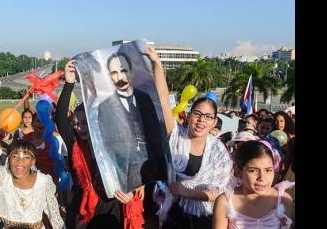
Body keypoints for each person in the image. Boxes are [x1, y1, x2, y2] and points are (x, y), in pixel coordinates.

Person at [55, 59, 145, 229]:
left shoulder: (114, 142)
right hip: (83, 209)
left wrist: (135, 187)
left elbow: (133, 165)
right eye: (75, 123)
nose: (79, 127)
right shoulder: (75, 144)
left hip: (111, 207)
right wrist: (68, 83)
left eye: (84, 123)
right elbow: (60, 118)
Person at [149, 45, 232, 228]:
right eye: (197, 114)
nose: (202, 120)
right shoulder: (177, 136)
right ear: (188, 115)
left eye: (208, 116)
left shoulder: (218, 152)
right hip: (174, 214)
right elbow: (162, 101)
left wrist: (186, 192)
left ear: (214, 122)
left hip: (204, 218)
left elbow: (221, 192)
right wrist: (157, 64)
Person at [0, 128, 65, 229]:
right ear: (8, 159)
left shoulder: (43, 181)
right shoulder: (3, 177)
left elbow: (54, 215)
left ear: (33, 161)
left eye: (26, 157)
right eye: (15, 156)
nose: (20, 161)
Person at [97, 52, 168, 192]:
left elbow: (157, 135)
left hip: (154, 175)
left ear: (132, 72)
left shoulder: (145, 99)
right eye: (114, 73)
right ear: (109, 77)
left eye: (123, 70)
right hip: (127, 178)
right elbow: (107, 147)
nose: (120, 77)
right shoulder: (105, 107)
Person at [212, 140, 294, 229]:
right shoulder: (225, 201)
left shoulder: (283, 200)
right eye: (253, 170)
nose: (262, 178)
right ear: (239, 171)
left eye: (268, 170)